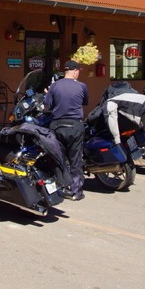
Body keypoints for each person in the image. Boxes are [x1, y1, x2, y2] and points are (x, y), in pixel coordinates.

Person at [44, 59, 89, 201]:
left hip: (57, 125)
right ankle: (76, 191)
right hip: (75, 126)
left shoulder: (54, 86)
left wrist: (48, 93)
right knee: (75, 160)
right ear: (75, 71)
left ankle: (60, 187)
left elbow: (47, 105)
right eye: (78, 72)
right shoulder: (82, 86)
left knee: (59, 158)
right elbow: (84, 102)